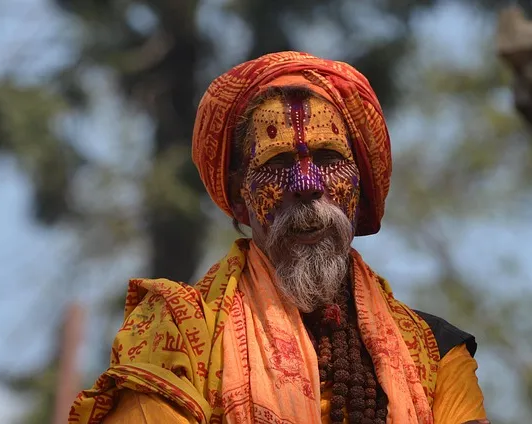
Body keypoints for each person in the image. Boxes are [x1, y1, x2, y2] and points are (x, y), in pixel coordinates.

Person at [69, 51, 489, 424]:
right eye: (277, 162)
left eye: (328, 158)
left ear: (357, 188)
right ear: (238, 199)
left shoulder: (435, 354)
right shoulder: (175, 332)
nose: (306, 183)